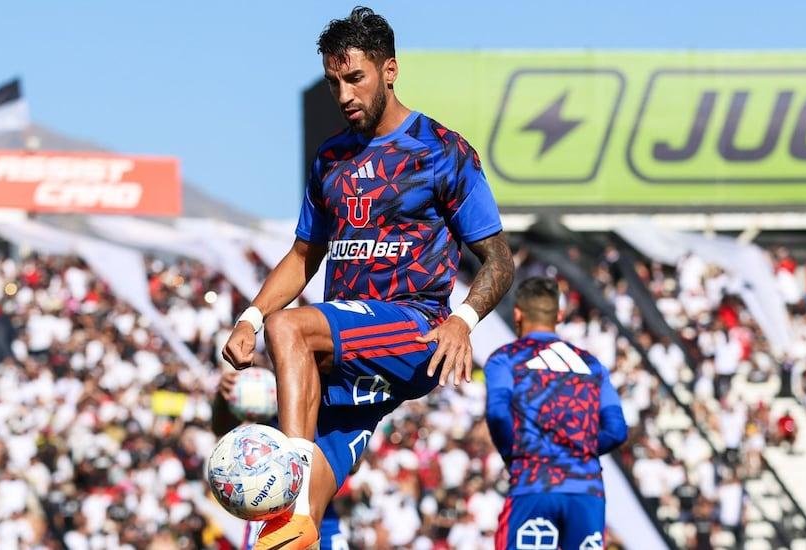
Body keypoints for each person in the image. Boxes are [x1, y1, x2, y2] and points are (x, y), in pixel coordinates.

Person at [221, 7, 515, 548]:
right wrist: (249, 316)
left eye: (355, 77)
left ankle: (291, 483)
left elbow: (499, 258)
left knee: (288, 328)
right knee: (285, 532)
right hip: (345, 355)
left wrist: (463, 320)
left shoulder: (441, 150)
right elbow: (304, 255)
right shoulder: (330, 159)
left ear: (390, 70)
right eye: (334, 82)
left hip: (414, 329)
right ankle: (294, 513)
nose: (344, 94)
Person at [483, 277, 628, 550]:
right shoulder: (592, 365)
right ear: (559, 315)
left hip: (533, 482)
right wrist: (576, 449)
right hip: (586, 490)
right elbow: (617, 430)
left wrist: (515, 454)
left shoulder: (506, 358)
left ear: (517, 314)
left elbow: (498, 414)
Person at [214, 367, 347, 550]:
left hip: (322, 515)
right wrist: (223, 399)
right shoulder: (275, 397)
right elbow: (219, 429)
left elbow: (355, 464)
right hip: (270, 510)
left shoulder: (338, 394)